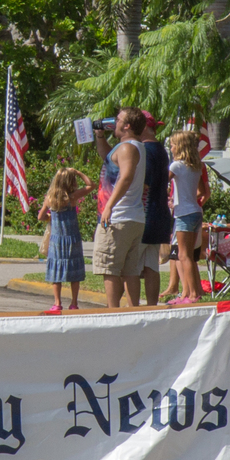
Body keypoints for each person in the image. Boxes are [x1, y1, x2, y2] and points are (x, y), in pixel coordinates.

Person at [95, 109, 149, 308]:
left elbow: (125, 177)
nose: (113, 122)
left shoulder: (127, 148)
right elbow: (108, 158)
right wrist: (99, 135)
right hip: (132, 216)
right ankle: (133, 310)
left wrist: (109, 206)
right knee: (130, 270)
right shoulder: (130, 147)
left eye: (118, 119)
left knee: (110, 268)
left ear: (127, 126)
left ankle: (112, 312)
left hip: (119, 217)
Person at [40, 166, 90, 314]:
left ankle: (57, 302)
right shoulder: (73, 197)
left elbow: (40, 216)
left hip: (56, 240)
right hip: (72, 238)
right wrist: (79, 172)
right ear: (71, 181)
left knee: (56, 270)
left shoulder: (50, 199)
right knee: (74, 270)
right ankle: (74, 302)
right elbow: (91, 185)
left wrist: (50, 217)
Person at [165, 130, 206, 306]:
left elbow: (162, 183)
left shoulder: (176, 166)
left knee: (183, 256)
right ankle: (188, 293)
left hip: (184, 213)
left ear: (180, 146)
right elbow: (201, 192)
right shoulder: (196, 166)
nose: (171, 147)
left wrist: (172, 200)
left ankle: (192, 294)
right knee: (189, 255)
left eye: (173, 144)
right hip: (196, 211)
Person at [139, 111, 173, 304]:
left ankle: (132, 307)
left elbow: (144, 184)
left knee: (132, 266)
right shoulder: (161, 149)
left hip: (145, 213)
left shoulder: (144, 150)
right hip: (160, 212)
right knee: (152, 265)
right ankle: (151, 306)